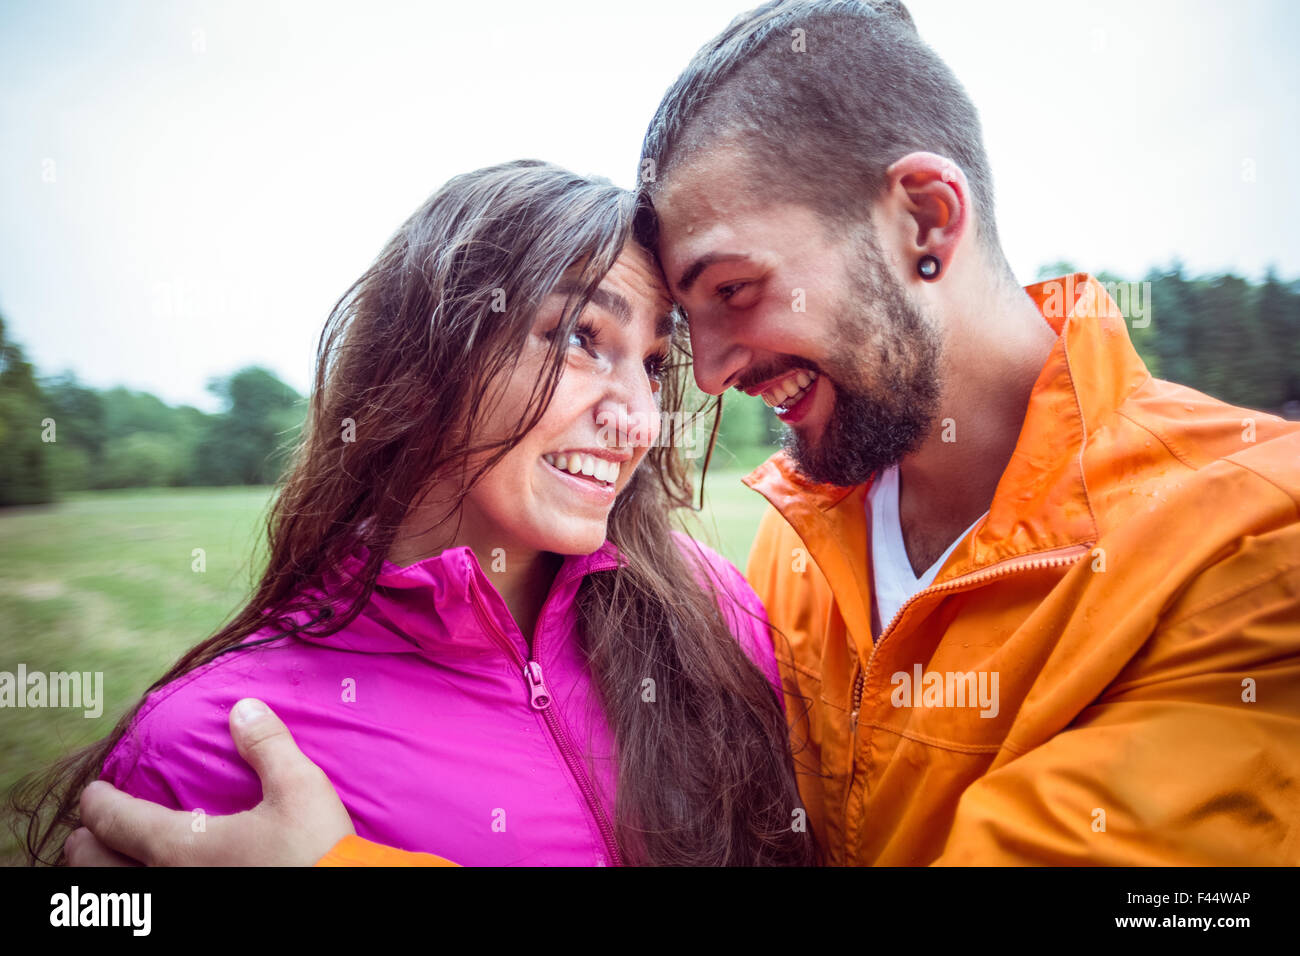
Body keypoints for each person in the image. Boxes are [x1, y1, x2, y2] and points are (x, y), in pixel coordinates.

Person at [66, 0, 1300, 867]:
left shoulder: (1255, 533)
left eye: (727, 293)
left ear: (925, 221)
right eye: (592, 338)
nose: (683, 390)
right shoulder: (785, 574)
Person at [14, 159, 816, 867]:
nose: (639, 418)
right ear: (429, 357)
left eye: (651, 362)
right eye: (580, 336)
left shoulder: (712, 609)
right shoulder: (211, 744)